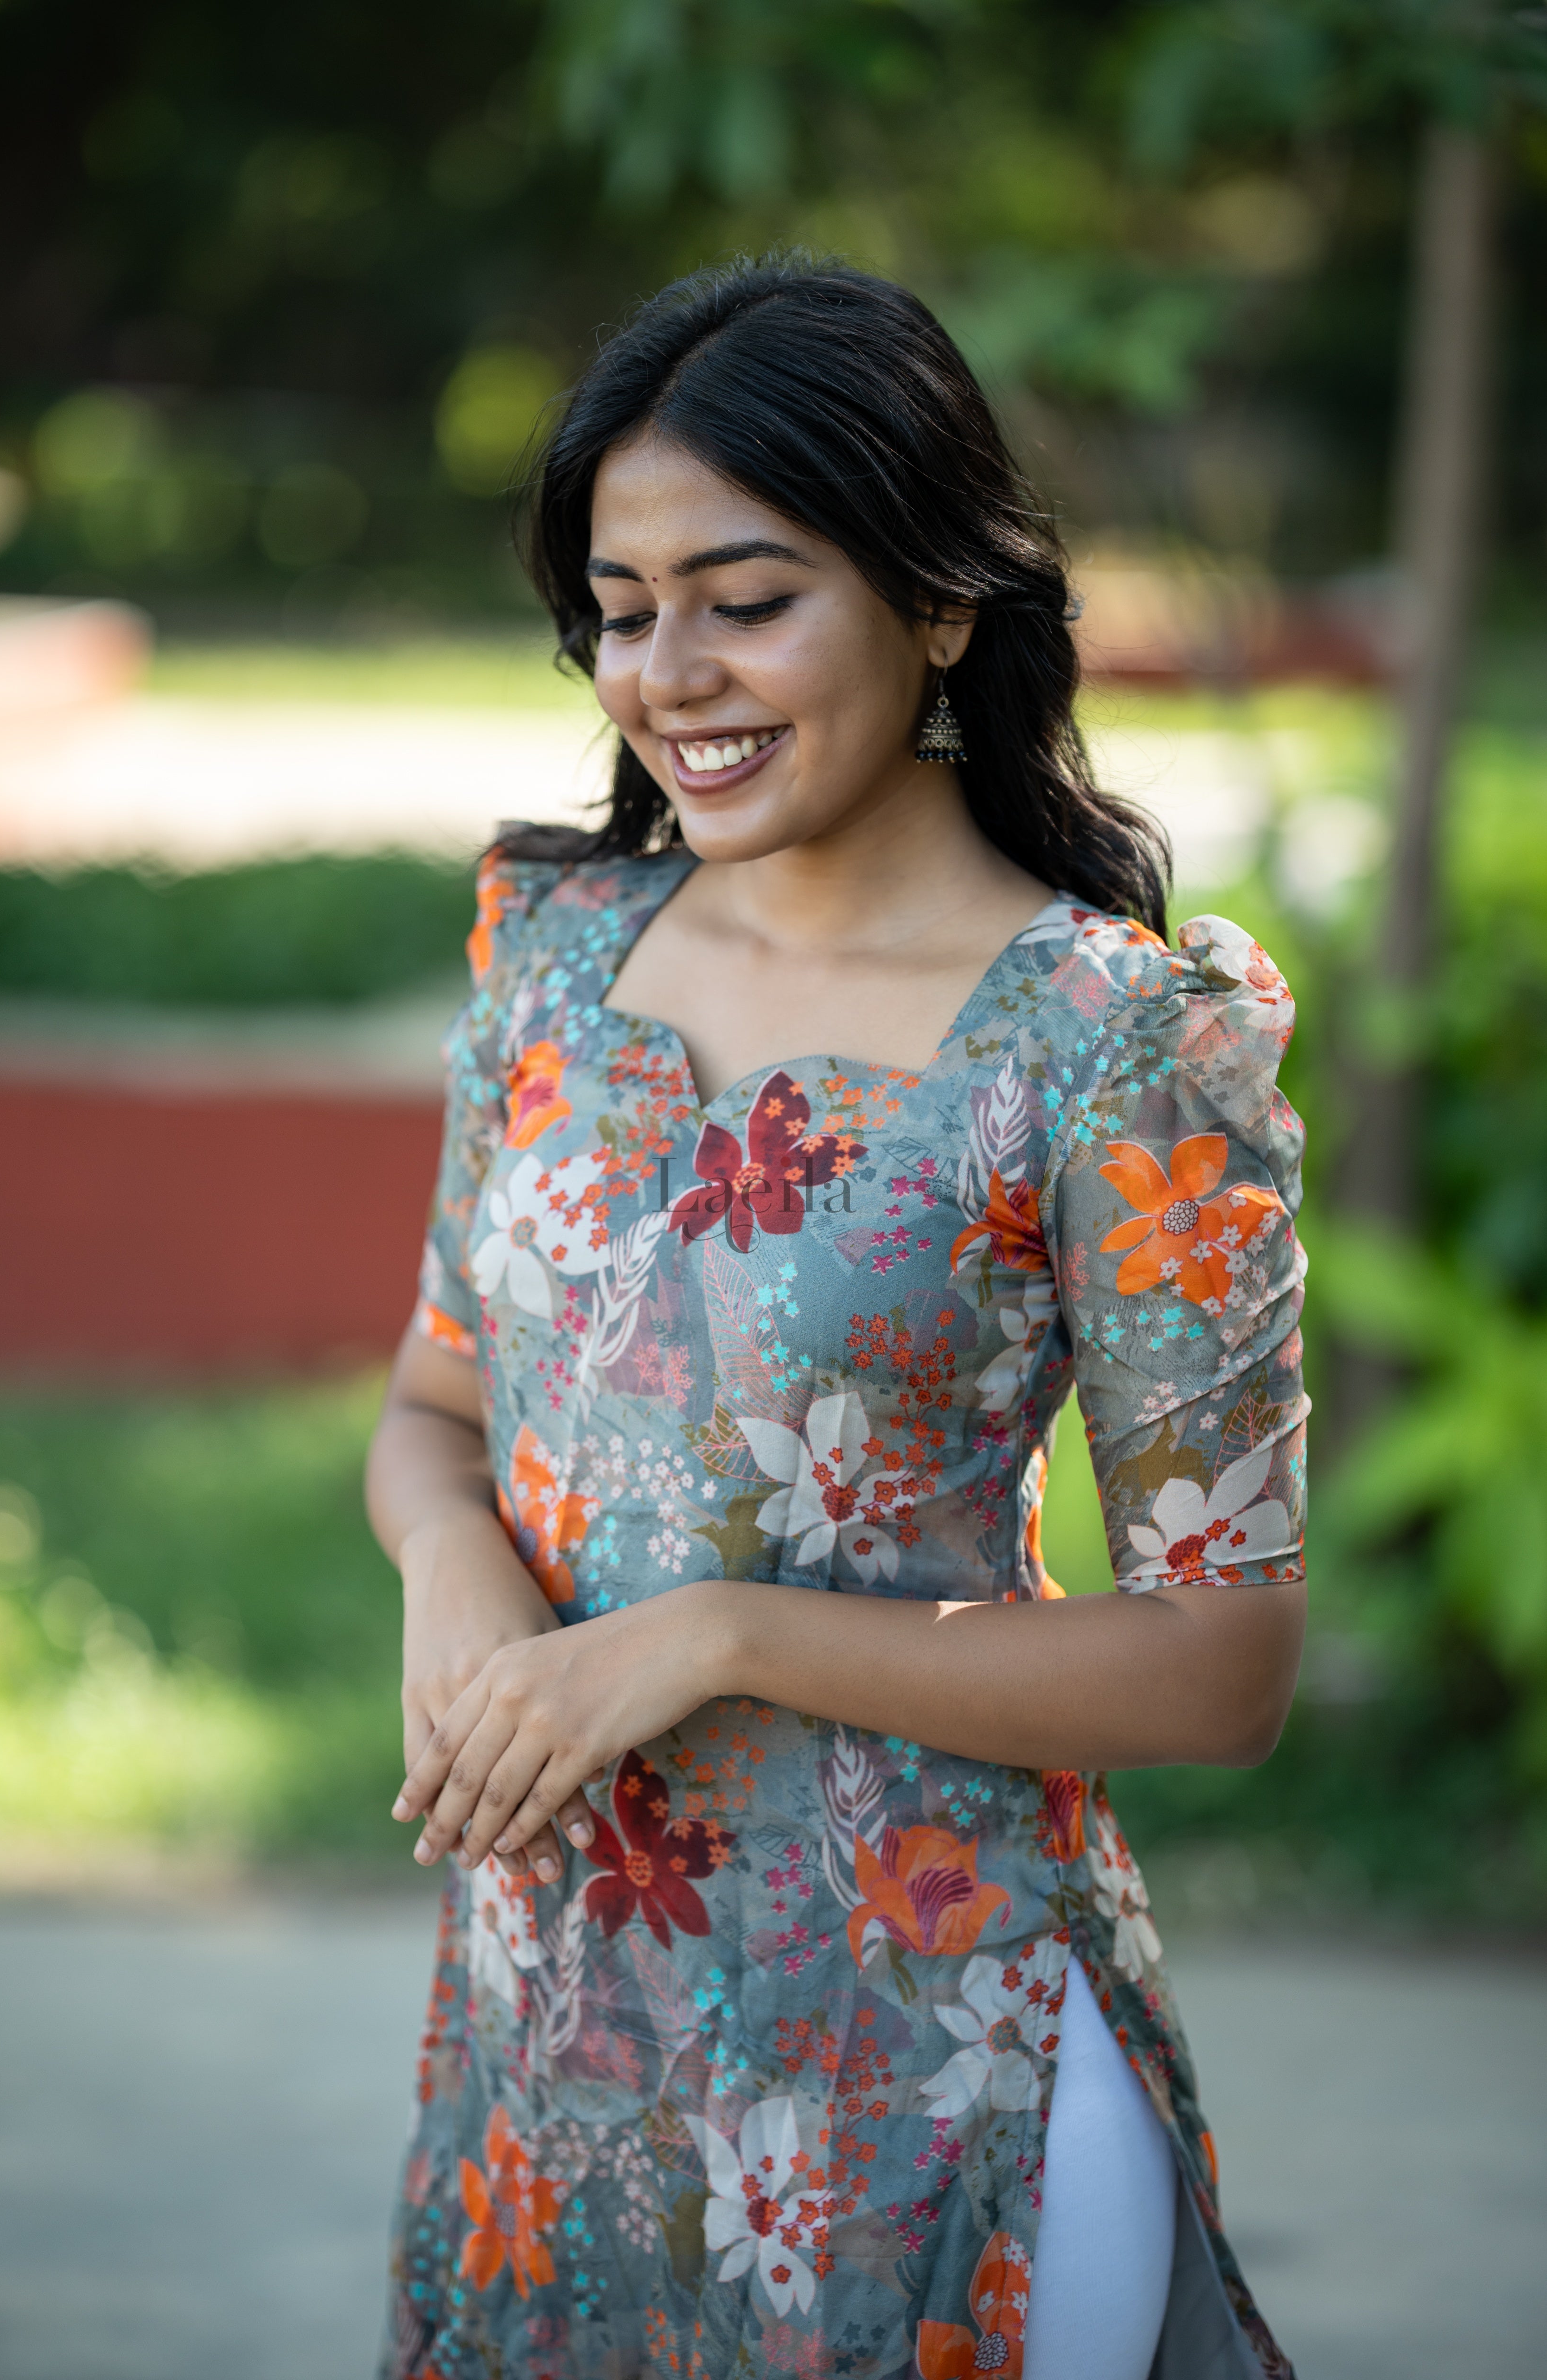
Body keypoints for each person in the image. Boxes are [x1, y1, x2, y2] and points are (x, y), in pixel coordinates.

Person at [367, 255, 1307, 2380]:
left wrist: (711, 1631)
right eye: (621, 605)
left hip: (927, 2065)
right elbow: (432, 1402)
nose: (665, 670)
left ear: (942, 602)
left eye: (746, 594)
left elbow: (1225, 1660)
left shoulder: (1115, 1044)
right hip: (546, 2052)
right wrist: (450, 1563)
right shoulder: (551, 954)